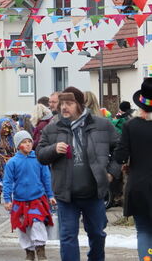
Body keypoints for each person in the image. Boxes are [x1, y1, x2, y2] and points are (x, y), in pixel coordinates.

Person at [37, 86, 119, 261]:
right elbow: (40, 155)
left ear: (80, 105)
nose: (64, 107)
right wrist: (53, 149)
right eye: (62, 103)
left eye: (69, 103)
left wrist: (111, 173)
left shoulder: (101, 125)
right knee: (67, 237)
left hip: (93, 192)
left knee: (97, 234)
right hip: (66, 195)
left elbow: (120, 149)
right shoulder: (52, 128)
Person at [114, 78, 152, 260]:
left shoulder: (130, 126)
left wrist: (126, 162)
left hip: (139, 187)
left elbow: (120, 156)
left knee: (144, 231)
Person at [3, 131, 55, 261]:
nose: (28, 144)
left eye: (29, 141)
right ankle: (29, 253)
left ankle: (41, 252)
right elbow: (7, 182)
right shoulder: (12, 163)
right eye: (24, 142)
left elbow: (46, 178)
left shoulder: (39, 159)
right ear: (17, 145)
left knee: (37, 224)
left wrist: (50, 195)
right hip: (20, 201)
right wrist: (7, 199)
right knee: (23, 228)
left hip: (37, 199)